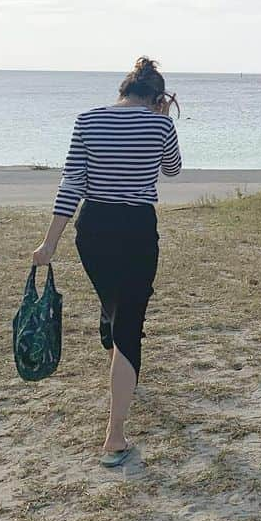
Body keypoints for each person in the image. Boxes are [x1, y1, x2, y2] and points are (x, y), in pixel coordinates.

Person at [30, 57, 182, 468]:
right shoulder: (161, 124)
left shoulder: (88, 120)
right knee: (129, 326)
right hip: (136, 227)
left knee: (118, 309)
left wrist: (49, 243)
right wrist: (161, 122)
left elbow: (72, 182)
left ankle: (108, 317)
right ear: (156, 96)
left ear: (123, 89)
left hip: (92, 228)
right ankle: (114, 437)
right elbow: (172, 170)